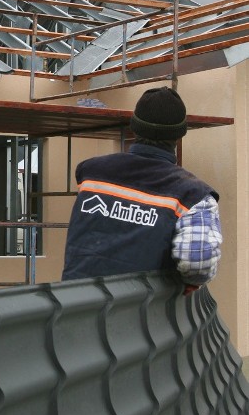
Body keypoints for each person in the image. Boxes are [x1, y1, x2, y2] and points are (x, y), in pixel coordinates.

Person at [63, 87, 222, 294]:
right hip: (141, 316)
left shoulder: (91, 172)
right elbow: (197, 264)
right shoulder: (193, 195)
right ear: (180, 134)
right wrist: (191, 282)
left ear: (134, 127)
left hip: (73, 306)